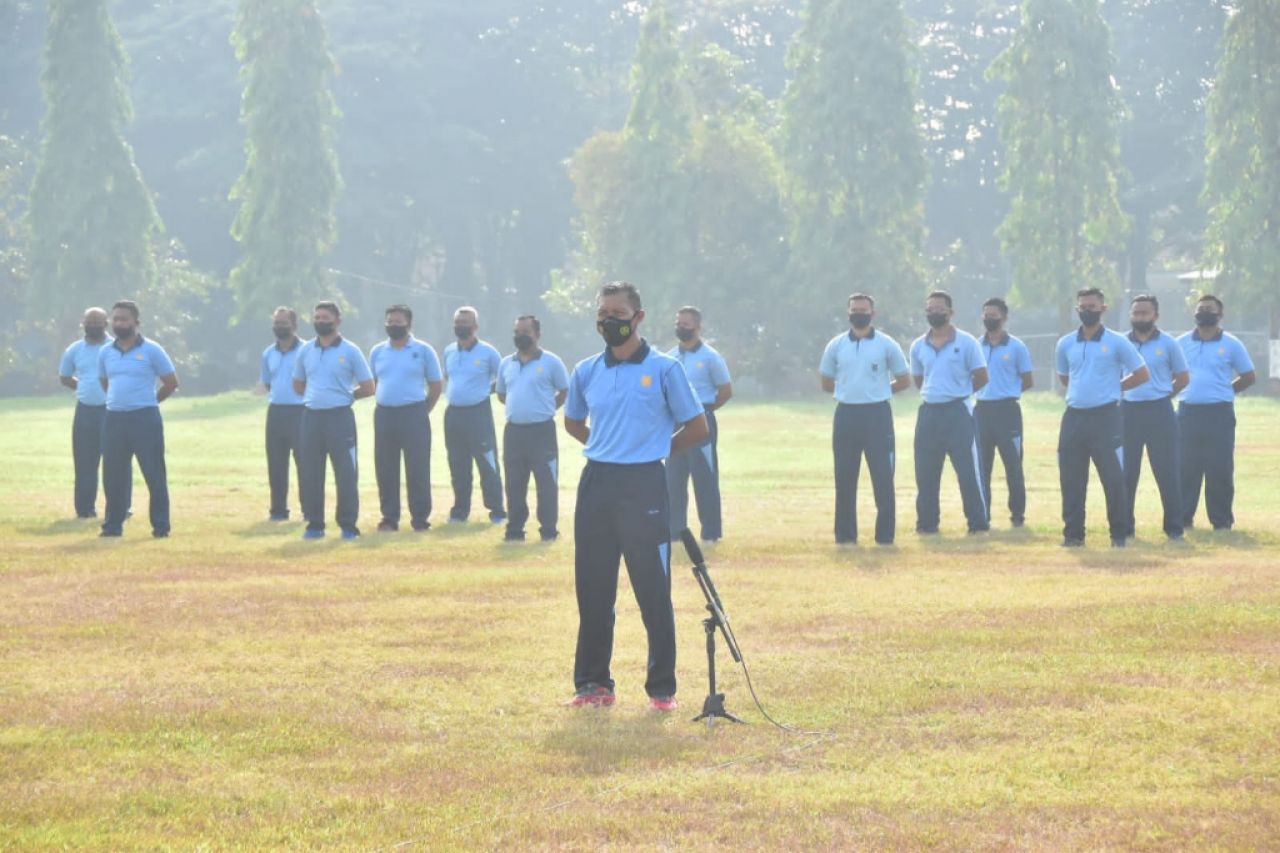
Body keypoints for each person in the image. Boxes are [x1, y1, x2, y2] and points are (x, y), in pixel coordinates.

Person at [563, 281, 707, 711]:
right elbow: (573, 422)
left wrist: (652, 450)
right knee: (593, 588)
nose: (610, 321)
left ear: (638, 317)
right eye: (603, 313)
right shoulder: (587, 370)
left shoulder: (664, 369)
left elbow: (697, 427)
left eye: (618, 314)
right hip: (597, 485)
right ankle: (593, 684)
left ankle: (662, 689)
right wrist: (607, 446)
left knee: (652, 590)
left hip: (644, 484)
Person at [1055, 287, 1149, 547]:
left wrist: (1115, 388)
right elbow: (1065, 377)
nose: (1087, 311)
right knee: (1071, 479)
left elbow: (1142, 373)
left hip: (1106, 417)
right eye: (1083, 307)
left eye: (1092, 306)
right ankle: (1073, 535)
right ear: (1077, 309)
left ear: (1103, 308)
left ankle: (1118, 535)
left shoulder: (1117, 341)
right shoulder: (1065, 343)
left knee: (1113, 478)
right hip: (1073, 417)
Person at [819, 293, 912, 545]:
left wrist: (880, 391)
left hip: (877, 415)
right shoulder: (836, 345)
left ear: (873, 314)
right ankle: (845, 536)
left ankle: (885, 537)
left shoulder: (886, 344)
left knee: (883, 477)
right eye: (854, 309)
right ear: (848, 313)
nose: (858, 313)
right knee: (845, 478)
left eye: (863, 309)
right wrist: (848, 389)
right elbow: (826, 381)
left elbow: (904, 379)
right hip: (846, 414)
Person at [292, 300, 374, 540]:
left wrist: (346, 396)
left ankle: (348, 525)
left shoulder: (350, 350)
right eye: (317, 318)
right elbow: (298, 384)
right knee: (311, 473)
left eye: (325, 318)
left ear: (338, 321)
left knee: (346, 473)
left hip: (340, 419)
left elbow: (369, 386)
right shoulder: (306, 350)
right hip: (311, 418)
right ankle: (315, 524)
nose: (320, 322)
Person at [910, 290, 990, 534]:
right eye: (930, 309)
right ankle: (927, 525)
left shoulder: (967, 343)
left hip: (958, 412)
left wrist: (959, 392)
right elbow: (918, 379)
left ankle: (977, 525)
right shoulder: (917, 346)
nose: (935, 313)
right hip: (929, 413)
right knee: (926, 473)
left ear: (951, 312)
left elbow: (981, 377)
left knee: (968, 472)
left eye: (940, 309)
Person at [96, 300, 179, 538]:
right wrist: (118, 400)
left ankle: (161, 526)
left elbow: (171, 382)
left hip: (145, 419)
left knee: (154, 473)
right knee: (113, 474)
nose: (118, 323)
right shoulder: (105, 352)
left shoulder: (152, 349)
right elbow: (105, 382)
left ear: (136, 322)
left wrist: (150, 402)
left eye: (124, 319)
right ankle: (113, 525)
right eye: (116, 319)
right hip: (114, 418)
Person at [1177, 294, 1256, 531]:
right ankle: (1182, 519)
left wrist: (1225, 390)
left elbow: (1249, 376)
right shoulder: (1181, 343)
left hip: (1219, 414)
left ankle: (1221, 521)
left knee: (1219, 468)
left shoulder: (1231, 343)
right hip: (1187, 414)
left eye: (1209, 309)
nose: (1204, 312)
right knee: (1185, 468)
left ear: (1220, 315)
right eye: (1200, 309)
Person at [1121, 294, 1190, 541]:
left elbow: (1182, 378)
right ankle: (1125, 529)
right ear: (1130, 315)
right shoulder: (1121, 343)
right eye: (1136, 313)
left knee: (1168, 472)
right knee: (1126, 473)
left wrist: (1162, 394)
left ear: (1155, 316)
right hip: (1128, 412)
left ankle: (1174, 529)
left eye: (1145, 313)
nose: (1140, 317)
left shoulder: (1169, 343)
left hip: (1160, 411)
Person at [369, 304, 442, 532]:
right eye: (390, 322)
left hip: (414, 414)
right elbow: (374, 382)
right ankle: (389, 517)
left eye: (398, 322)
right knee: (386, 467)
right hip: (385, 415)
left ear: (408, 324)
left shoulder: (423, 350)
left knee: (418, 468)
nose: (394, 326)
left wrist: (422, 410)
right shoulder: (377, 352)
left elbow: (436, 385)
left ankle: (420, 518)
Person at [496, 314, 569, 542]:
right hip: (514, 432)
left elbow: (564, 390)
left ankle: (548, 530)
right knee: (514, 483)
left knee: (546, 484)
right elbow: (501, 393)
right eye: (517, 332)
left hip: (542, 432)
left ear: (537, 334)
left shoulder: (551, 362)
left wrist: (546, 408)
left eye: (525, 332)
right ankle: (515, 530)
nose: (520, 336)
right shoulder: (506, 363)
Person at [665, 306, 732, 543]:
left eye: (686, 324)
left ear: (697, 327)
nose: (681, 327)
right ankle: (674, 532)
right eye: (678, 323)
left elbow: (725, 391)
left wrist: (705, 412)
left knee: (705, 478)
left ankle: (711, 534)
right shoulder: (670, 356)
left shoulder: (711, 357)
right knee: (673, 479)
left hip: (701, 421)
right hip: (674, 423)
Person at [442, 307, 506, 524]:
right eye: (458, 322)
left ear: (476, 326)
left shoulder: (488, 352)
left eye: (466, 322)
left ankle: (497, 510)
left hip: (478, 413)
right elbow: (447, 377)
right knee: (457, 464)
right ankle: (460, 511)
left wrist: (484, 391)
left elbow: (504, 378)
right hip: (453, 414)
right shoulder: (449, 351)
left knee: (487, 462)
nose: (461, 326)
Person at [975, 297, 1034, 528]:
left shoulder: (1016, 346)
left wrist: (1008, 391)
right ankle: (983, 514)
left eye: (994, 315)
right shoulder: (976, 345)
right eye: (986, 315)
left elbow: (1028, 380)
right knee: (982, 466)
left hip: (1007, 410)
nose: (990, 319)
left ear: (1005, 317)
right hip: (982, 411)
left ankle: (1017, 515)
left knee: (1013, 466)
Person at [58, 307, 113, 519]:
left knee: (115, 461)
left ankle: (119, 508)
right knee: (84, 462)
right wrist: (83, 387)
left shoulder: (114, 347)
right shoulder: (74, 349)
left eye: (97, 323)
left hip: (111, 410)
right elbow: (64, 377)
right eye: (89, 323)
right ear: (83, 324)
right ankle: (85, 509)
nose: (93, 327)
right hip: (85, 411)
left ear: (106, 325)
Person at [260, 306, 306, 521]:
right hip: (277, 411)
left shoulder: (306, 350)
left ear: (294, 326)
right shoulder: (268, 353)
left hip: (301, 411)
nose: (280, 327)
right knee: (276, 463)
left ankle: (309, 510)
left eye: (284, 324)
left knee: (305, 462)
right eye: (277, 323)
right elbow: (268, 383)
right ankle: (278, 510)